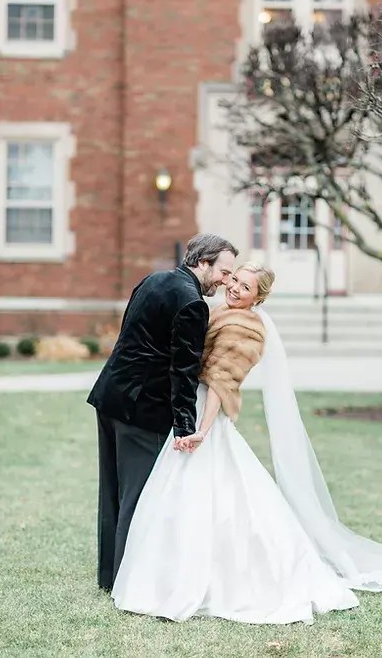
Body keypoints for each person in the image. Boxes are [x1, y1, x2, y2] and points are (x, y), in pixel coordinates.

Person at [112, 262, 382, 624]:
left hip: (206, 420)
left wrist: (201, 431)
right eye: (234, 279)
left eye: (246, 287)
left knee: (210, 499)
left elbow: (223, 384)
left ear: (259, 297)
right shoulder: (220, 312)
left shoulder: (245, 327)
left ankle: (215, 581)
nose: (235, 288)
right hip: (191, 410)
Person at [87, 233, 238, 591]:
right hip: (143, 410)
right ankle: (128, 582)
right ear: (203, 262)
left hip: (110, 396)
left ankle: (110, 576)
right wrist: (186, 427)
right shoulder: (192, 304)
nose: (226, 281)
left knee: (113, 492)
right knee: (139, 498)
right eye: (224, 271)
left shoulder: (153, 280)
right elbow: (182, 372)